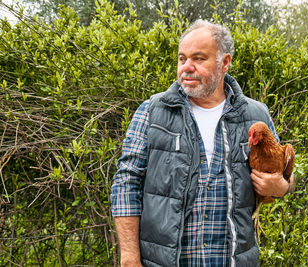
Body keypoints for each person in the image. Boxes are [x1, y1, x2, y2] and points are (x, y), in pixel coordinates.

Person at [111, 19, 294, 267]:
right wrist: (130, 259)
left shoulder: (256, 115)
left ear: (225, 62)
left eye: (198, 59)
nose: (187, 67)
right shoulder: (152, 112)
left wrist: (282, 187)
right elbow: (126, 183)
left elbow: (284, 173)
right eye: (182, 58)